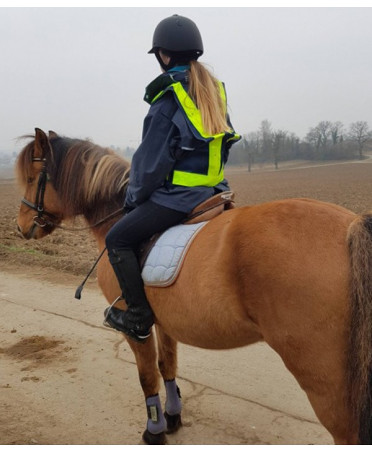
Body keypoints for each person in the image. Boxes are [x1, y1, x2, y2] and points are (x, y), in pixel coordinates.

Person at [104, 14, 241, 343]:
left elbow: (149, 164)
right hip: (215, 192)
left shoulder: (168, 99)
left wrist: (133, 200)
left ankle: (138, 315)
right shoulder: (213, 92)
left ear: (163, 56)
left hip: (177, 199)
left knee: (117, 239)